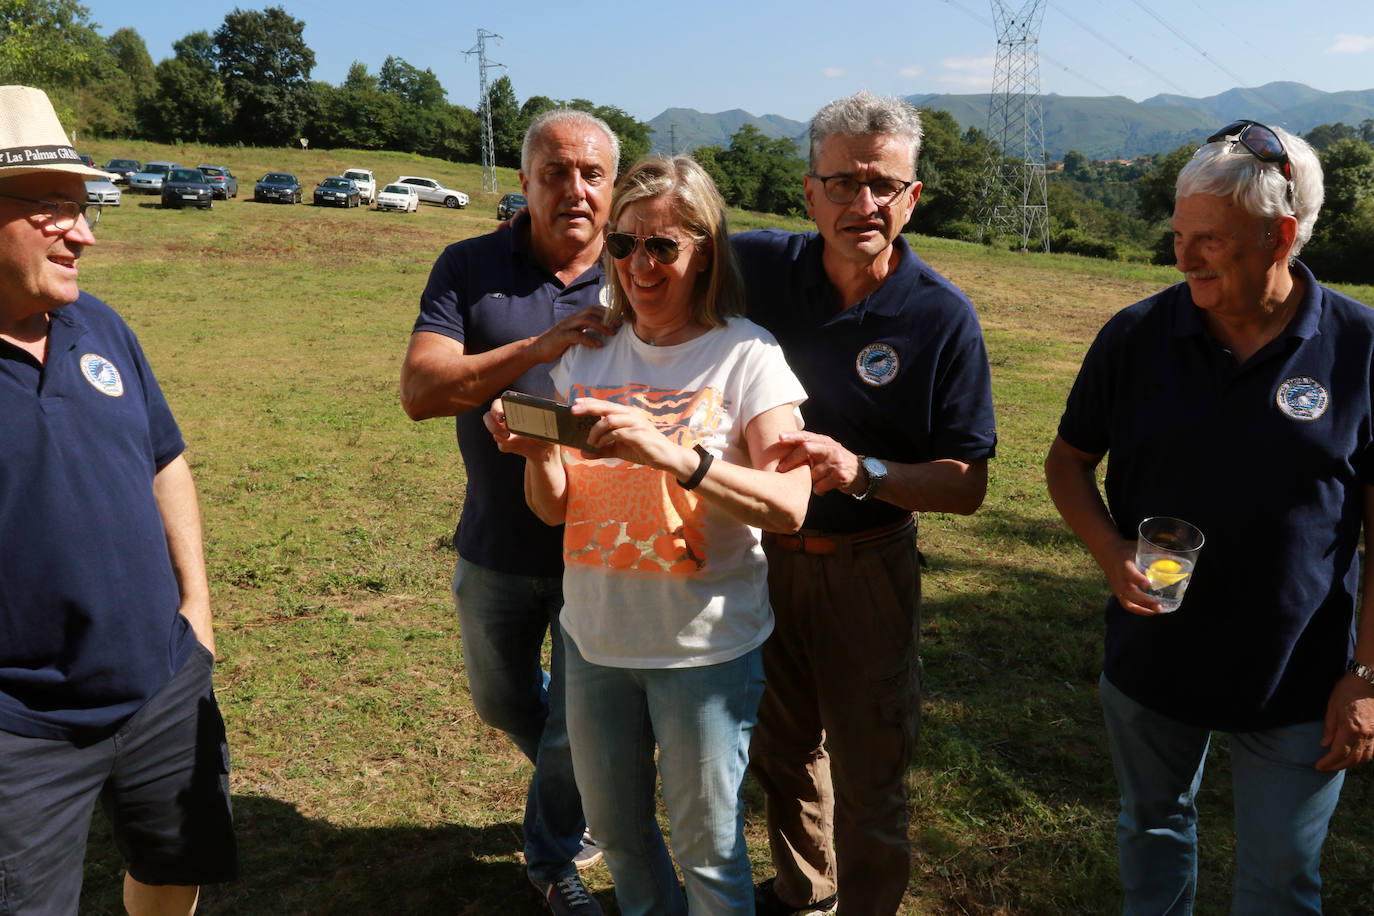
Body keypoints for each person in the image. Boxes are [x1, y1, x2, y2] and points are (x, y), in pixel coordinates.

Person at [1045, 120, 1374, 913]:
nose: (1184, 258)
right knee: (1152, 838)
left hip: (1300, 672)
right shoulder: (1136, 336)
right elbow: (1066, 464)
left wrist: (1366, 676)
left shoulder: (1360, 348)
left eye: (1211, 241)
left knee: (1279, 884)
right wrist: (1110, 549)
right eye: (1179, 235)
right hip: (1154, 658)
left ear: (1281, 234)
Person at [487, 155, 812, 915]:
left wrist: (674, 454)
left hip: (703, 650)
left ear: (705, 251)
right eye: (624, 244)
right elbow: (555, 509)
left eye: (663, 247)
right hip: (595, 643)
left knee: (708, 855)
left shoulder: (747, 355)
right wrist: (539, 453)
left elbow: (791, 505)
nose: (640, 264)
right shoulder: (588, 349)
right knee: (623, 842)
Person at [732, 91, 998, 916]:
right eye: (842, 183)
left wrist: (862, 470)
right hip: (761, 557)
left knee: (872, 767)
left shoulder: (942, 318)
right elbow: (648, 249)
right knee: (780, 749)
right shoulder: (755, 269)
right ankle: (803, 892)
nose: (864, 203)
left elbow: (968, 481)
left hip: (869, 568)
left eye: (885, 185)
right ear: (807, 192)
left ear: (913, 196)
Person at [0, 85, 236, 915]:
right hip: (21, 728)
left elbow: (164, 459)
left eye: (85, 205)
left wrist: (196, 613)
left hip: (162, 681)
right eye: (55, 209)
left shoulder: (99, 326)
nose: (85, 233)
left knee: (175, 867)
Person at [400, 108, 619, 915]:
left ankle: (551, 858)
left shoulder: (640, 271)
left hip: (601, 546)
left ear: (613, 187)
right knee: (502, 700)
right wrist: (536, 350)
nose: (574, 189)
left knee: (576, 719)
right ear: (524, 183)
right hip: (494, 542)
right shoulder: (469, 266)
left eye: (592, 174)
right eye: (555, 172)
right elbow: (421, 392)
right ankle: (585, 788)